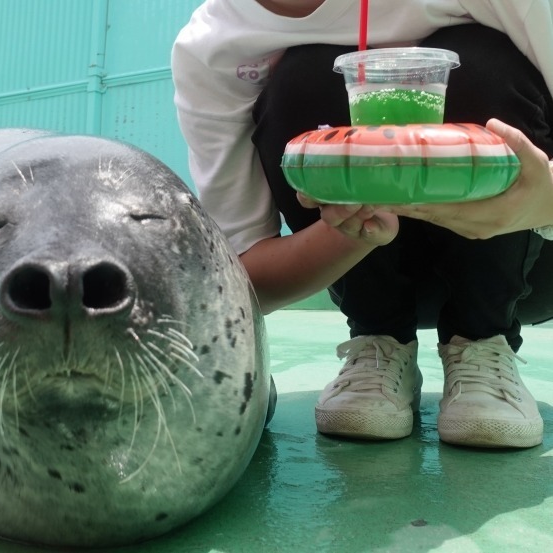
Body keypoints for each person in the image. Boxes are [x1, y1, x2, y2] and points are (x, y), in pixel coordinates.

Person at [172, 0, 553, 448]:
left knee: (478, 56)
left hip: (529, 262)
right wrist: (349, 230)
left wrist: (542, 204)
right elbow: (246, 278)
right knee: (304, 78)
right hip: (355, 267)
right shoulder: (214, 45)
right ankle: (379, 339)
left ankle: (484, 339)